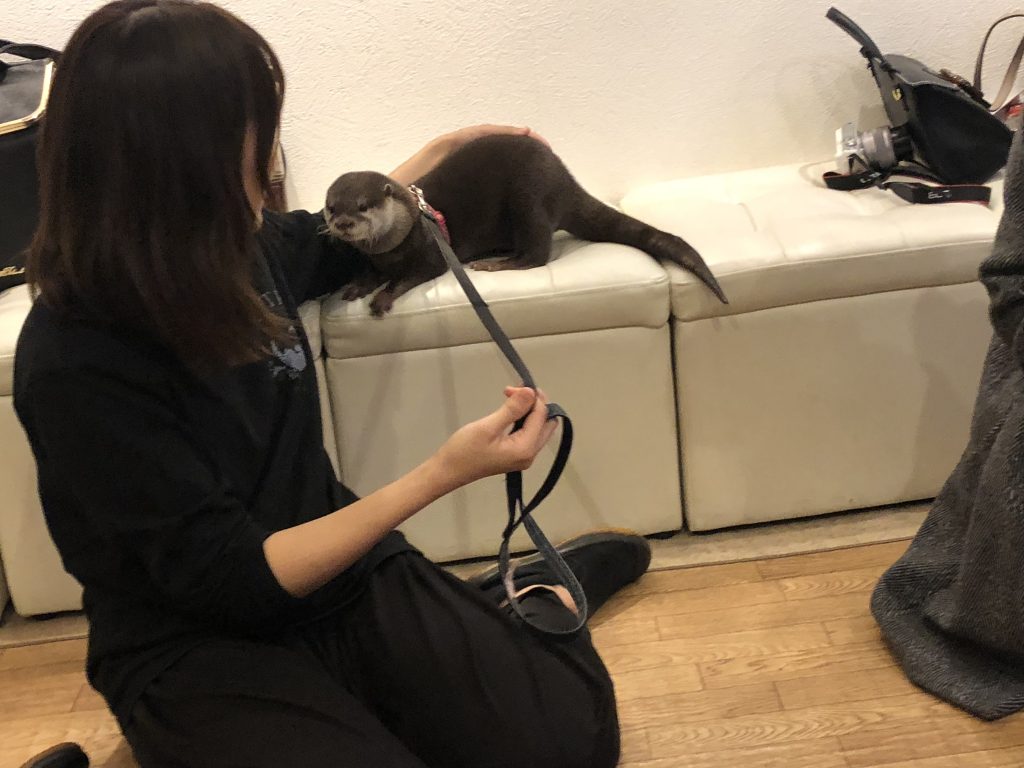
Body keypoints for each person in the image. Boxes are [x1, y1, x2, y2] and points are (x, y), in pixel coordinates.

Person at [12, 2, 652, 767]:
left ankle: (532, 594)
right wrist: (444, 474)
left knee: (566, 746)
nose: (274, 157)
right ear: (183, 159)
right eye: (258, 132)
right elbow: (236, 580)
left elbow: (344, 234)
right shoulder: (76, 360)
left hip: (339, 575)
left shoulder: (245, 251)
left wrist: (446, 149)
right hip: (193, 643)